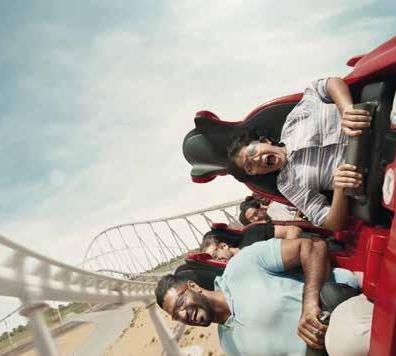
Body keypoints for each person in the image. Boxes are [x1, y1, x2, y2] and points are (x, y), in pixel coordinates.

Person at [155, 237, 361, 355]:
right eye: (176, 315)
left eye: (180, 303)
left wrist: (309, 304)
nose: (183, 315)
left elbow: (313, 246)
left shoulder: (242, 265)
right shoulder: (229, 346)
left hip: (343, 313)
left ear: (193, 286)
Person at [228, 78, 370, 231]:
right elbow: (332, 223)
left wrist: (346, 109)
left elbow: (327, 84)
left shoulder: (293, 120)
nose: (255, 159)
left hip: (376, 116)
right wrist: (339, 189)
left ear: (265, 141)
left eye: (252, 151)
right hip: (374, 169)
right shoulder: (288, 185)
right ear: (256, 174)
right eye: (249, 166)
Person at [199, 223, 302, 262]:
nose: (218, 261)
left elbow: (293, 230)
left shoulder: (252, 234)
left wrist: (289, 256)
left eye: (215, 256)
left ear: (223, 245)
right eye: (214, 261)